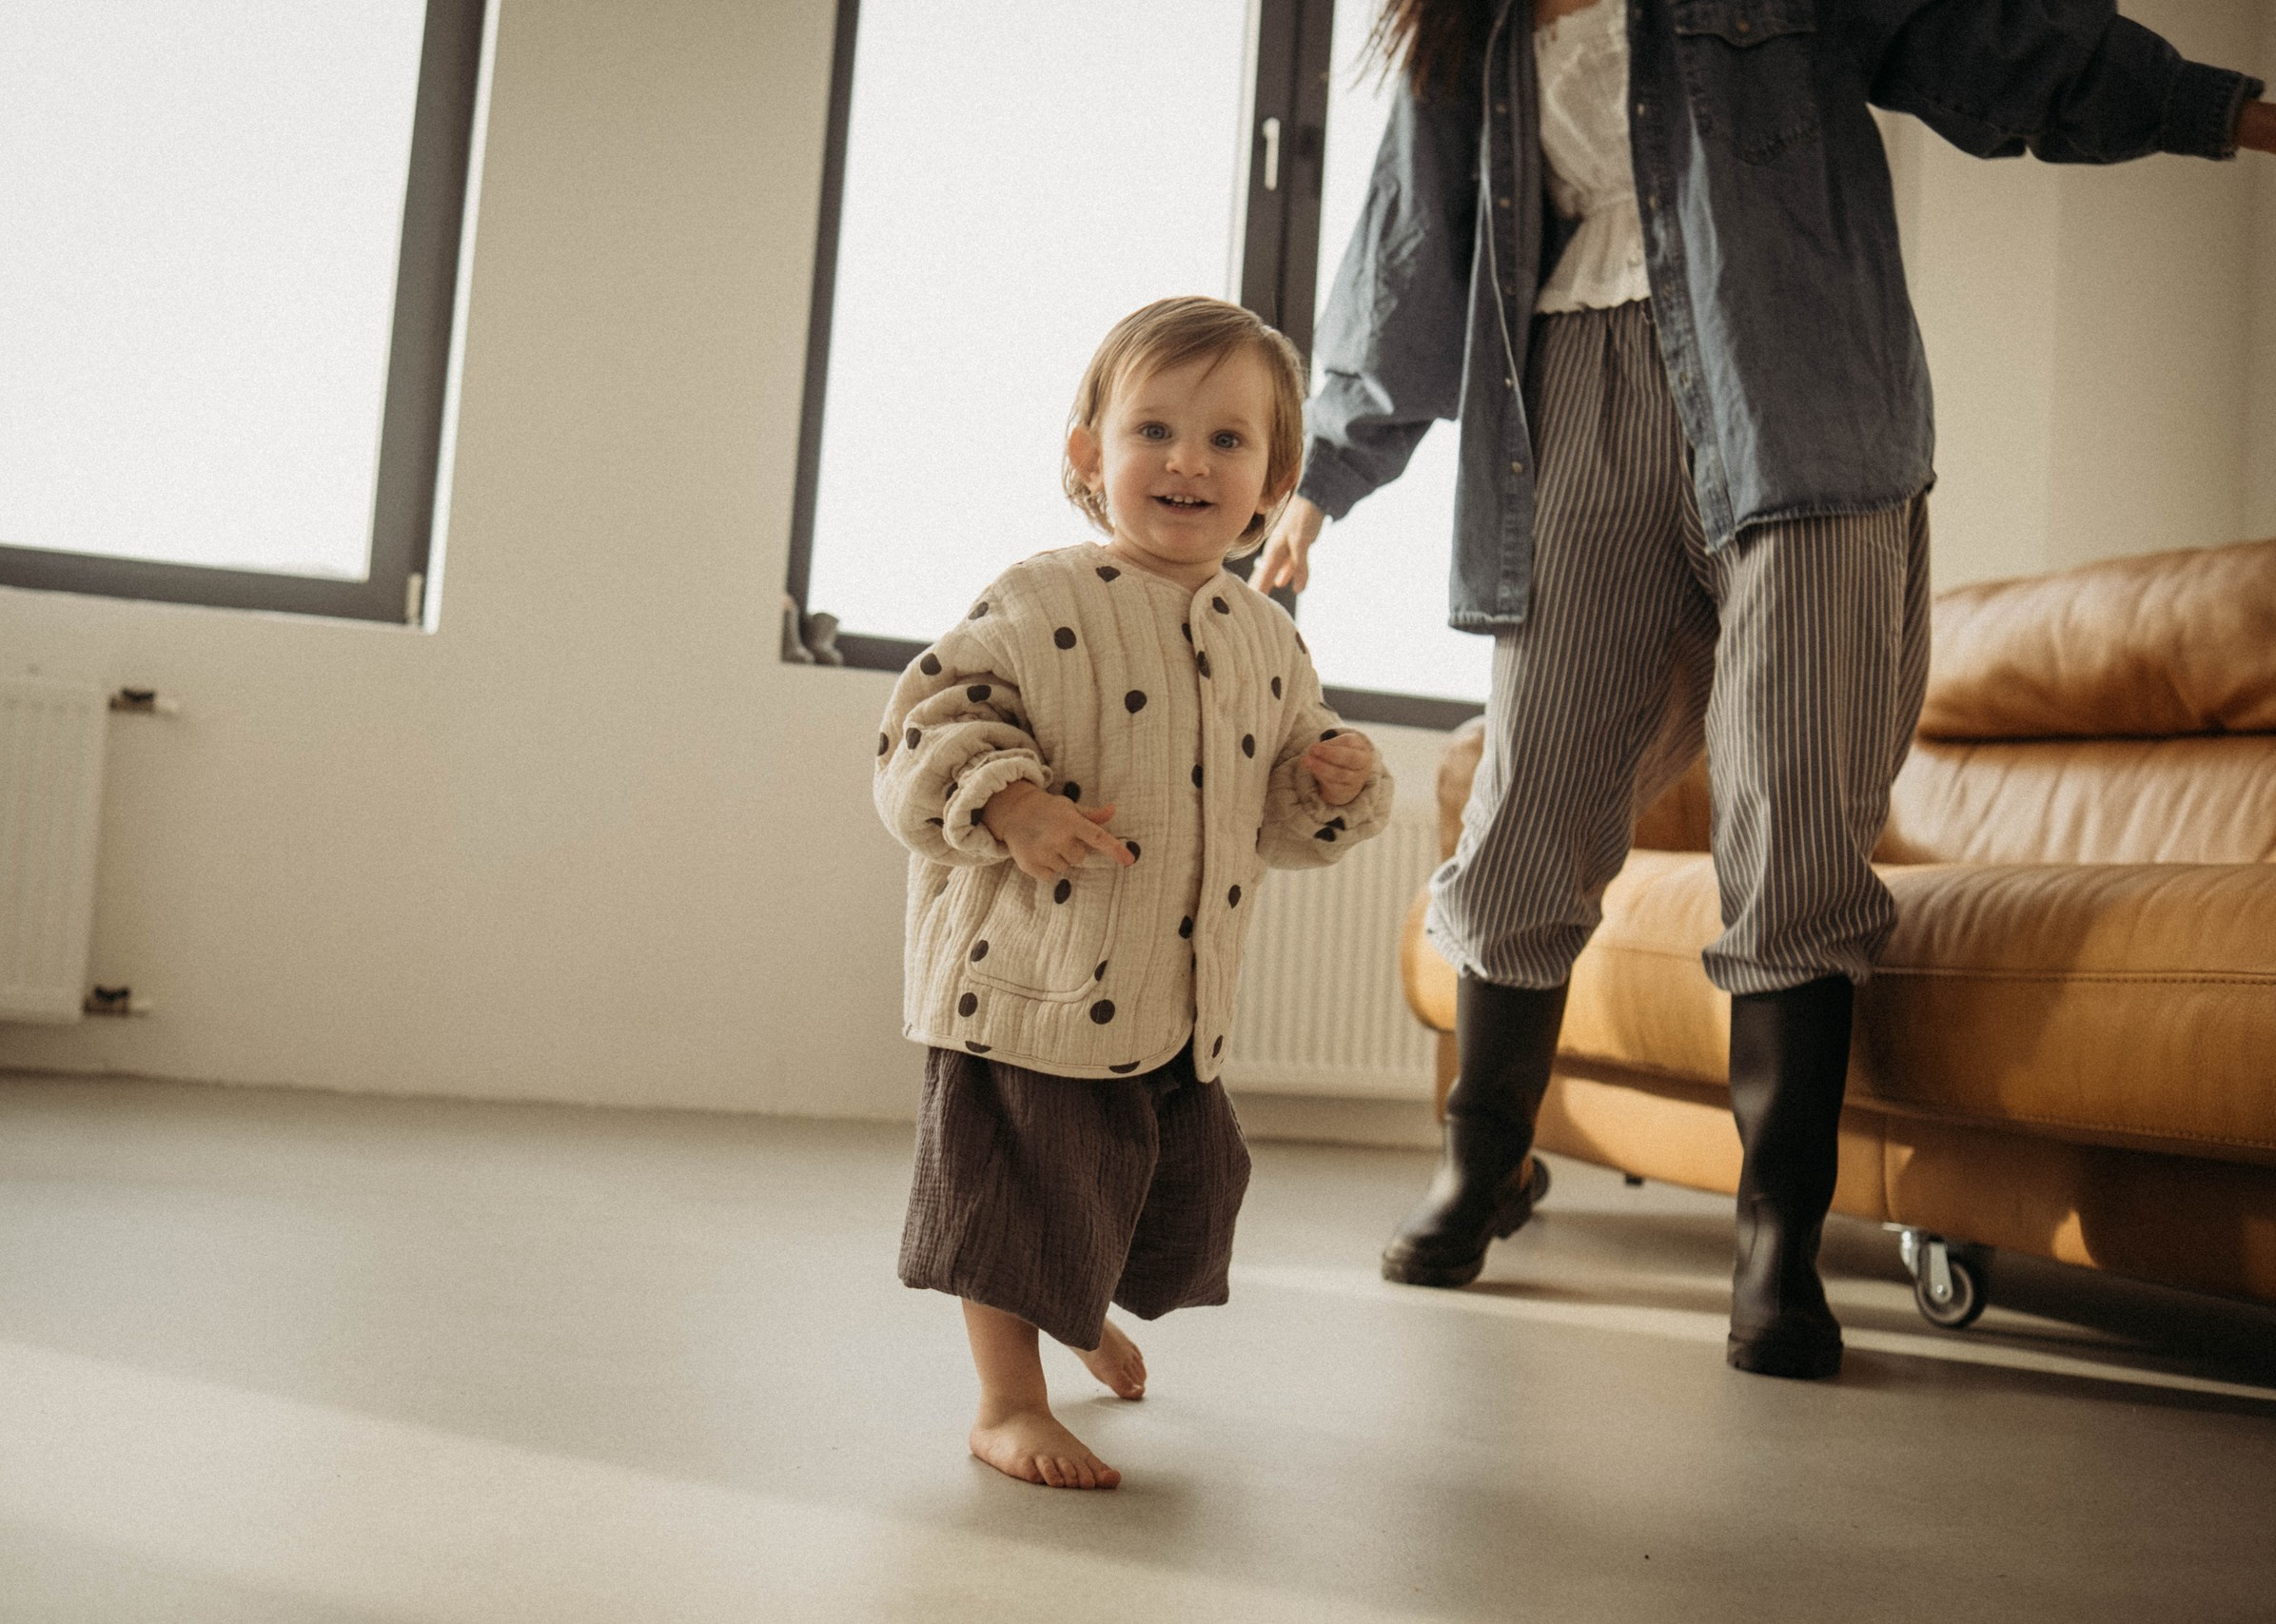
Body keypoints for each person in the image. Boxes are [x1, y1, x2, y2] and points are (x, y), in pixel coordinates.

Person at [1256, 0, 2276, 1379]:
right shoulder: (1476, 32)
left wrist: (2221, 110)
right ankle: (1482, 1163)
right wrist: (1328, 476)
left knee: (1793, 828)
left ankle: (1775, 1239)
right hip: (1569, 410)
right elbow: (1408, 251)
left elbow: (1992, 41)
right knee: (1523, 815)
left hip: (1797, 412)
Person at [874, 296, 1395, 1488]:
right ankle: (1006, 1400)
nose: (1186, 461)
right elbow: (925, 723)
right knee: (1012, 1194)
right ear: (1087, 456)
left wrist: (1329, 780)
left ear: (1274, 480)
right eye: (1153, 429)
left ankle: (1078, 1302)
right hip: (1031, 978)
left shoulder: (1271, 640)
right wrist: (1007, 800)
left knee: (1165, 1181)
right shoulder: (1039, 597)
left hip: (1169, 989)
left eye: (1226, 440)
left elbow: (1280, 819)